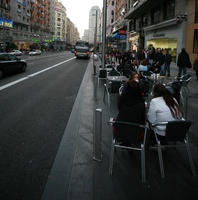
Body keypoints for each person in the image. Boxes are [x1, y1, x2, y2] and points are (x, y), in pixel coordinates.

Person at [115, 72, 145, 143]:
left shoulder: (123, 102)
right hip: (136, 135)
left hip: (120, 133)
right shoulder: (141, 104)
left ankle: (126, 143)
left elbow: (119, 107)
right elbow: (142, 120)